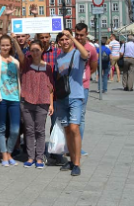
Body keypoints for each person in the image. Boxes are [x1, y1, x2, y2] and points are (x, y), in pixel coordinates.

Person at [53, 29, 89, 176]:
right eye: (62, 39)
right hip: (62, 98)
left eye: (67, 39)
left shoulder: (76, 54)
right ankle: (72, 160)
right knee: (67, 129)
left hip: (76, 97)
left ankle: (77, 163)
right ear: (59, 43)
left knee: (74, 128)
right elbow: (57, 76)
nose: (65, 41)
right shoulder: (59, 57)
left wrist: (73, 38)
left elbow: (86, 55)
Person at [0, 30, 23, 167]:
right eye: (2, 45)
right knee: (1, 127)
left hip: (14, 97)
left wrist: (14, 40)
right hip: (0, 97)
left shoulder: (15, 61)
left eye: (7, 45)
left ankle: (9, 151)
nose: (5, 47)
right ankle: (4, 155)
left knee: (15, 129)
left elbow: (21, 55)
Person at [20, 41, 53, 169]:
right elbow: (20, 55)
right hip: (27, 101)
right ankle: (30, 157)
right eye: (32, 50)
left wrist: (51, 104)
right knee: (29, 130)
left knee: (40, 131)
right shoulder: (26, 64)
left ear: (42, 50)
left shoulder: (48, 67)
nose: (35, 53)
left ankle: (39, 158)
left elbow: (51, 86)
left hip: (42, 102)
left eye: (37, 50)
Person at [73, 23, 97, 154]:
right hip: (70, 85)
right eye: (76, 34)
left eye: (81, 35)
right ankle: (69, 145)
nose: (79, 37)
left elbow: (93, 66)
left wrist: (86, 76)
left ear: (86, 34)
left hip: (83, 86)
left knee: (80, 117)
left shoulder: (91, 49)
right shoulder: (70, 45)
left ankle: (78, 147)